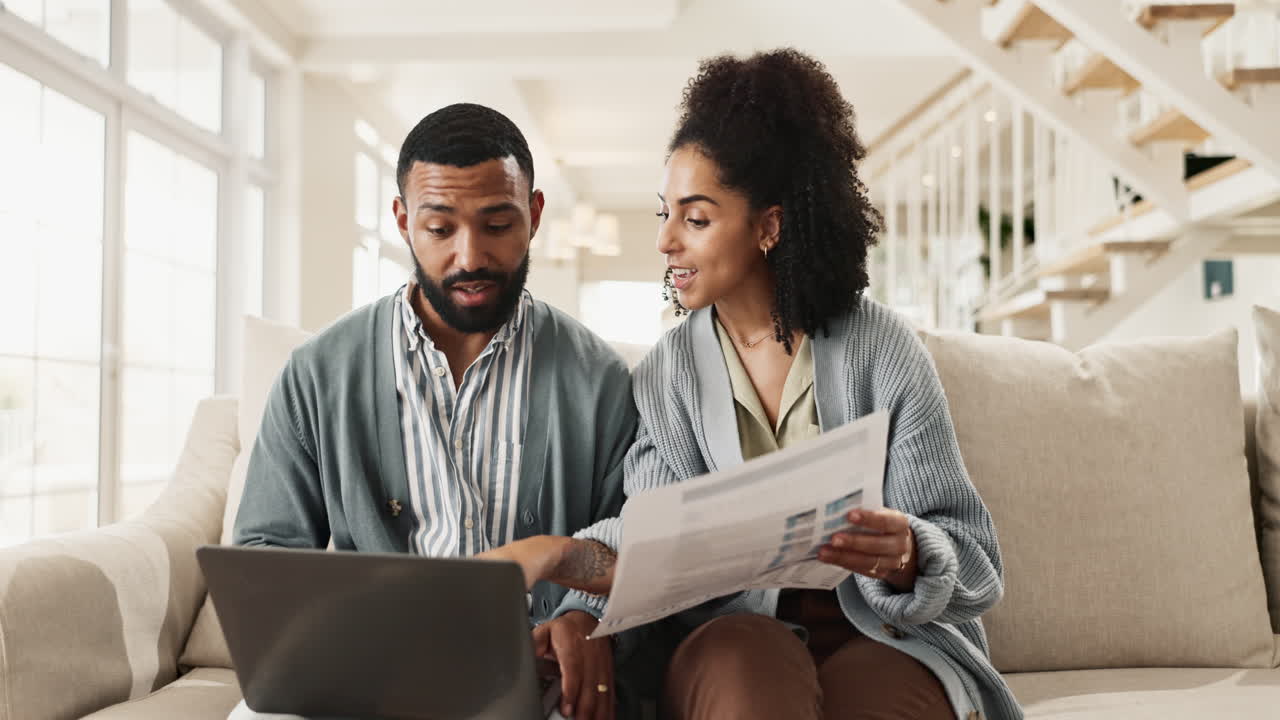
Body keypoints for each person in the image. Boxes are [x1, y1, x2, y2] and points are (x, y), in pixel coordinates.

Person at [491, 50, 1024, 719]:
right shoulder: (668, 375)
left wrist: (912, 552)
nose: (665, 242)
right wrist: (560, 562)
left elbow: (976, 562)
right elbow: (650, 538)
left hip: (888, 633)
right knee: (745, 671)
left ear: (769, 225)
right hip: (739, 637)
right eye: (665, 213)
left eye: (696, 218)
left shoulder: (882, 350)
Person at [228, 103, 634, 720]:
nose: (469, 257)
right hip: (362, 668)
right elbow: (263, 556)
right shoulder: (317, 373)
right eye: (440, 229)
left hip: (533, 674)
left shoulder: (600, 380)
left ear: (535, 215)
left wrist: (587, 615)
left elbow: (633, 545)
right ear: (402, 220)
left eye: (497, 224)